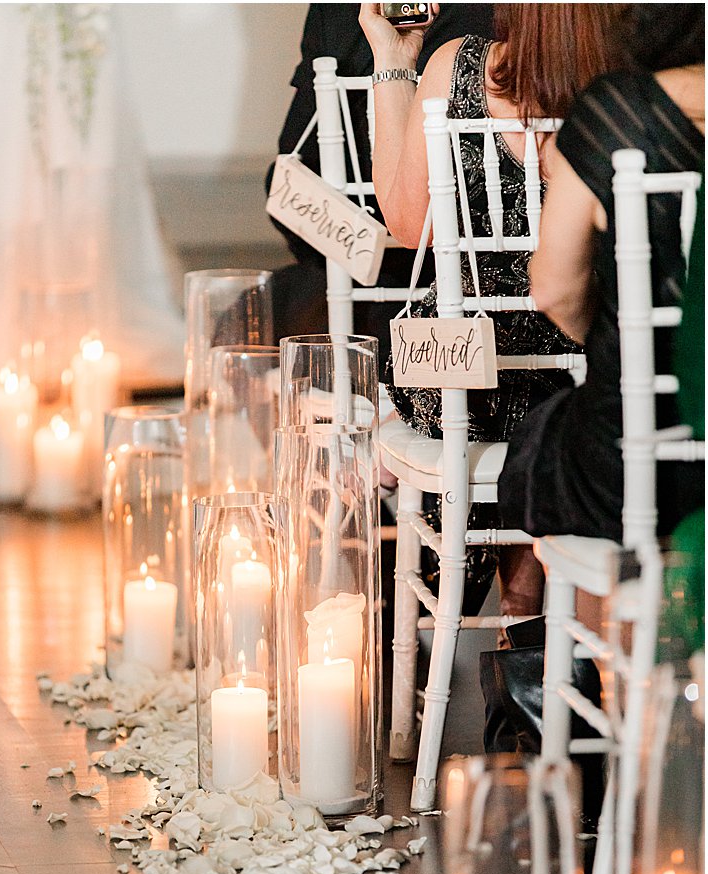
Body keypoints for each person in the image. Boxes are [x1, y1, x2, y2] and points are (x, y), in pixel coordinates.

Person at [359, 1, 627, 617]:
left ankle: (508, 616)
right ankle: (528, 611)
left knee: (497, 388)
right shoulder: (633, 96)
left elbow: (408, 225)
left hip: (462, 379)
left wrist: (394, 62)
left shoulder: (459, 67)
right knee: (555, 388)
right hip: (591, 370)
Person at [503, 5, 706, 543]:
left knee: (539, 449)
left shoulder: (617, 111)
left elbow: (552, 289)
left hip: (643, 448)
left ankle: (597, 624)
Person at [268, 3, 495, 347]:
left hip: (466, 286)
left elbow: (292, 168)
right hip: (370, 264)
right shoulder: (338, 14)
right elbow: (294, 172)